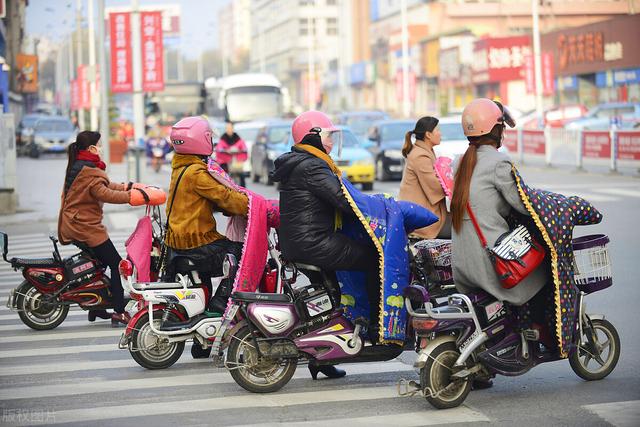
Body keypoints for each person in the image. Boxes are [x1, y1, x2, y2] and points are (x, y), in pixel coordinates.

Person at [271, 110, 381, 380]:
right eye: (328, 135)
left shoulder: (300, 162)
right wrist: (375, 209)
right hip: (313, 242)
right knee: (372, 259)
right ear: (313, 136)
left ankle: (322, 357)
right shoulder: (313, 166)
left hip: (300, 242)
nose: (331, 141)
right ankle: (377, 328)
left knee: (328, 294)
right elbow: (343, 200)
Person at [164, 116, 249, 358]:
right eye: (209, 136)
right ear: (200, 140)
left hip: (179, 243)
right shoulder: (197, 172)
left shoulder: (181, 166)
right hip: (196, 243)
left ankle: (203, 341)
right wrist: (253, 203)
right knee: (242, 257)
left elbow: (202, 202)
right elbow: (228, 198)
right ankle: (218, 309)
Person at [58, 131, 162, 326]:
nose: (102, 148)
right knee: (116, 264)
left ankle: (96, 307)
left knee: (99, 264)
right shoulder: (88, 170)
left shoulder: (83, 165)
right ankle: (119, 312)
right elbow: (105, 193)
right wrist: (136, 197)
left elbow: (106, 185)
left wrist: (129, 186)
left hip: (77, 223)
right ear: (91, 149)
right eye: (99, 144)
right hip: (85, 227)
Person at [398, 116, 450, 239]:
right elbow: (436, 186)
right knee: (463, 227)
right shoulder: (420, 156)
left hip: (426, 213)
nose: (440, 134)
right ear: (428, 135)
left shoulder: (424, 151)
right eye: (438, 130)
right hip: (422, 220)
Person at [215, 122, 248, 187]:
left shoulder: (238, 138)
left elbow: (244, 148)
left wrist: (239, 151)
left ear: (233, 129)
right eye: (227, 128)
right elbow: (219, 148)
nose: (229, 130)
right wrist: (226, 151)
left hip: (236, 161)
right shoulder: (223, 139)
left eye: (230, 128)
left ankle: (243, 189)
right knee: (223, 174)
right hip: (225, 161)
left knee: (241, 175)